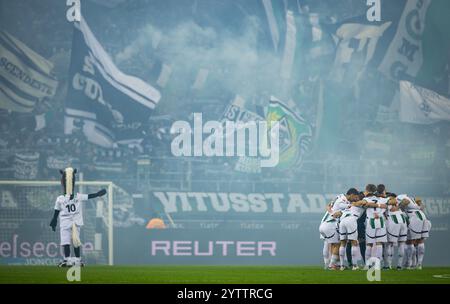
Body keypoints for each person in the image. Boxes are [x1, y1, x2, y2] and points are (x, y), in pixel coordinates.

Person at [49, 167, 106, 267]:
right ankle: (76, 260)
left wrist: (54, 221)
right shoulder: (76, 197)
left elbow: (56, 211)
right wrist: (97, 194)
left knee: (67, 241)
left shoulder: (61, 199)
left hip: (67, 222)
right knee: (75, 241)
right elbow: (89, 196)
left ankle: (69, 260)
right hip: (74, 222)